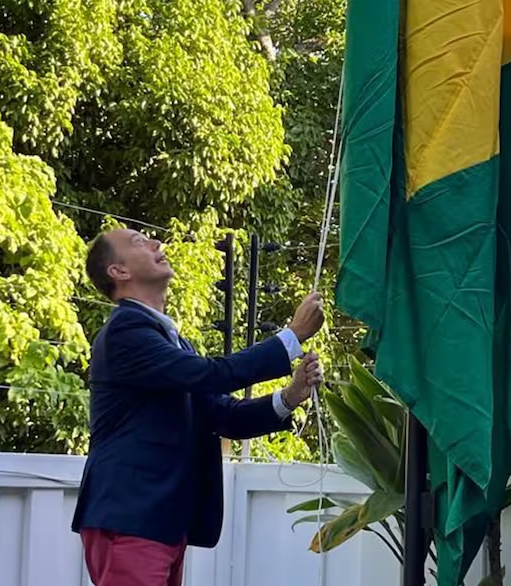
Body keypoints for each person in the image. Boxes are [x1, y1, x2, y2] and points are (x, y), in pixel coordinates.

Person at [71, 228, 325, 586]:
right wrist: (291, 337)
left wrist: (290, 396)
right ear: (118, 271)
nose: (158, 244)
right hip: (131, 516)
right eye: (140, 242)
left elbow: (224, 416)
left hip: (160, 520)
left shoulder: (172, 342)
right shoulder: (125, 331)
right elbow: (212, 375)